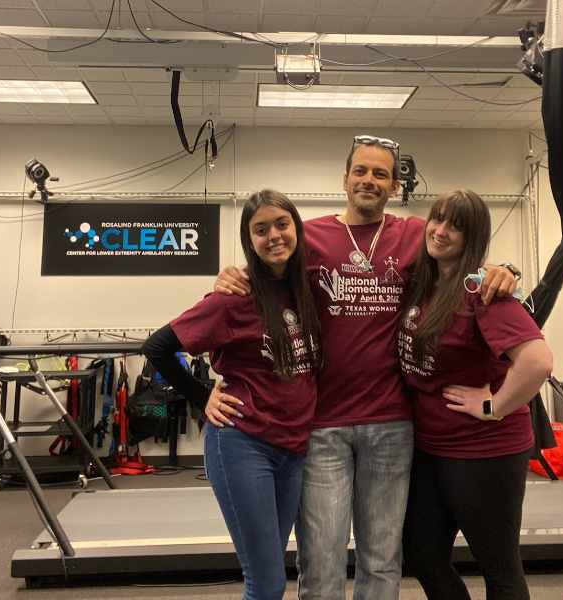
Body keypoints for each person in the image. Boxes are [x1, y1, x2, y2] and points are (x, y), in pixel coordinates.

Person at [212, 136, 519, 600]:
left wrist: (505, 268)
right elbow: (261, 277)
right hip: (322, 425)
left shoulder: (416, 234)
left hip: (392, 424)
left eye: (380, 174)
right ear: (345, 178)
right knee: (321, 558)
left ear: (394, 186)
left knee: (381, 558)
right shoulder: (306, 237)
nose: (368, 181)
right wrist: (228, 277)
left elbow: (459, 251)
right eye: (361, 171)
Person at [142, 189, 322, 600]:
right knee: (267, 583)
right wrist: (201, 394)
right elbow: (156, 348)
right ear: (249, 241)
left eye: (281, 224)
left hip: (293, 449)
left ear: (296, 228)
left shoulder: (307, 289)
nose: (273, 236)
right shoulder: (231, 300)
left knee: (274, 567)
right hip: (243, 444)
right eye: (261, 230)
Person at [398, 189, 553, 600]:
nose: (441, 231)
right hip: (431, 446)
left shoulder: (482, 292)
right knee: (423, 554)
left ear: (473, 238)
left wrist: (493, 405)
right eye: (438, 219)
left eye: (457, 226)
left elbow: (537, 361)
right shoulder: (424, 283)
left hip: (484, 449)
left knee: (498, 565)